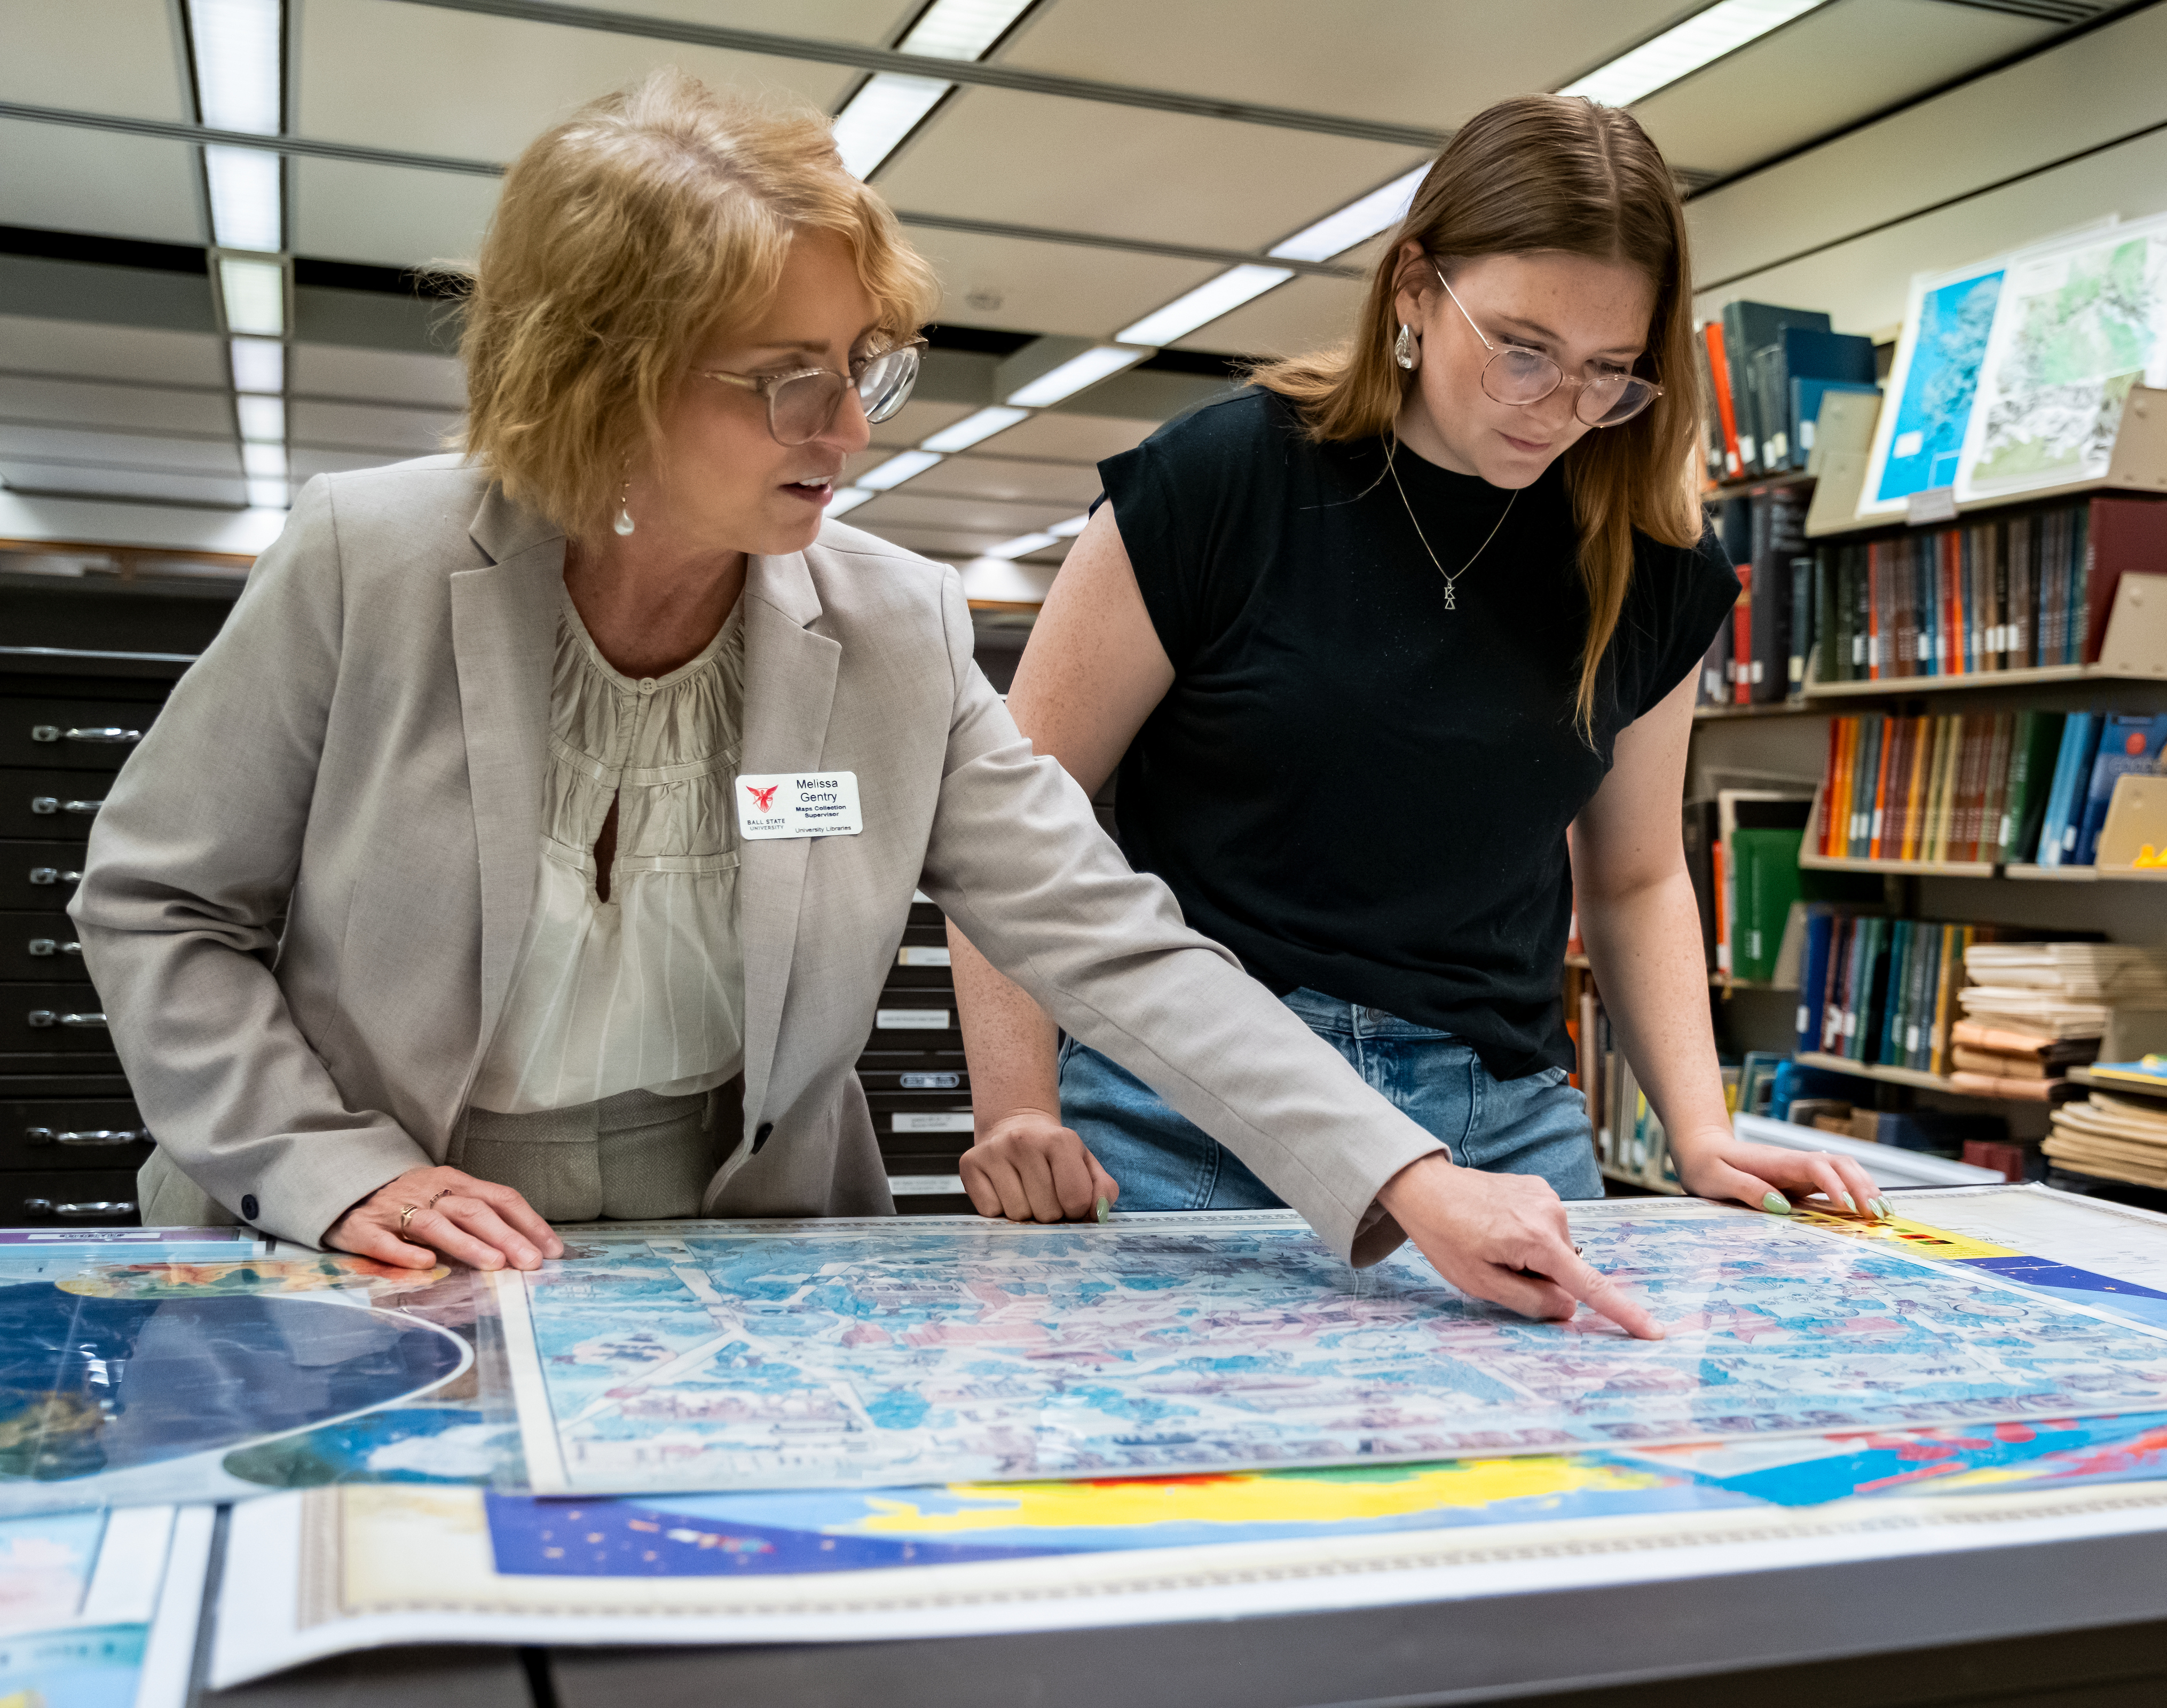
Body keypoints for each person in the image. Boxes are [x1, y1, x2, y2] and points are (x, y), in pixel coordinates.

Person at [69, 72, 1659, 1338]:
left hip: (743, 1251)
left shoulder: (890, 626)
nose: (848, 429)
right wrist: (336, 1174)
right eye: (784, 377)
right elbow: (160, 909)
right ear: (601, 370)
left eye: (864, 365)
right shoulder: (374, 561)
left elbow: (1108, 937)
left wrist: (1407, 1176)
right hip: (379, 1242)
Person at [950, 94, 1886, 1231]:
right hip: (1195, 1105)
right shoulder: (1224, 481)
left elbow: (1636, 876)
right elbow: (1010, 823)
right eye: (1523, 352)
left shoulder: (1652, 559)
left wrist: (1702, 1133)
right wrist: (1018, 1110)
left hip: (1503, 1121)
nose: (1561, 410)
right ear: (1411, 291)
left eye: (1611, 370)